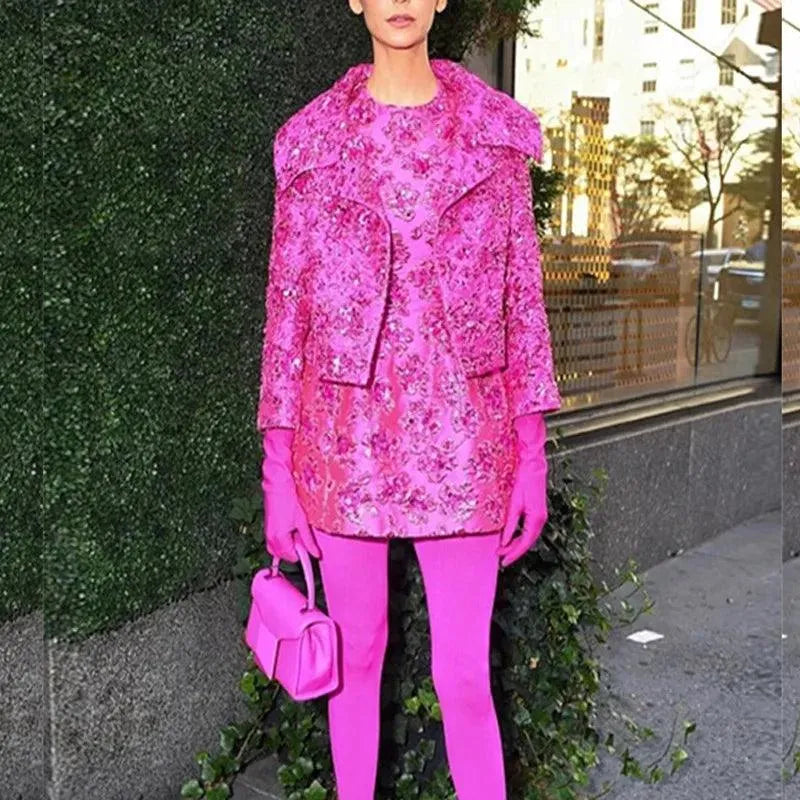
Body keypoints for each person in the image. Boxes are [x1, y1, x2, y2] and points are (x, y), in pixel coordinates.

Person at [256, 2, 562, 798]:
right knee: (355, 661)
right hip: (343, 442)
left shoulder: (495, 140)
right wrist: (277, 472)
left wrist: (531, 457)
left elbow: (522, 308)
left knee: (464, 678)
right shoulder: (312, 145)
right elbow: (286, 316)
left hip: (467, 441)